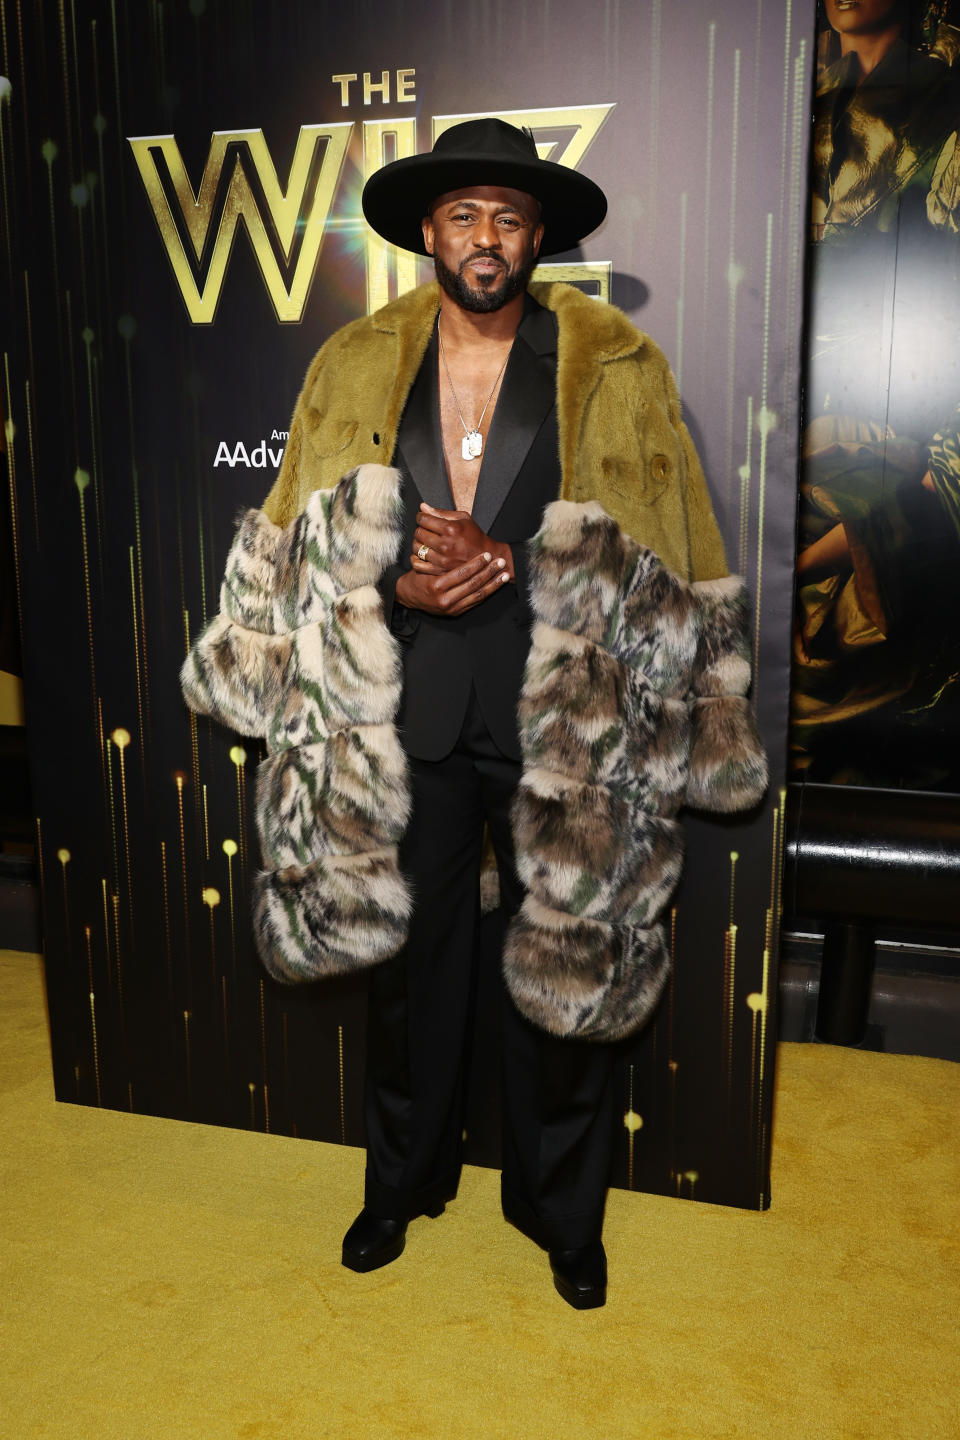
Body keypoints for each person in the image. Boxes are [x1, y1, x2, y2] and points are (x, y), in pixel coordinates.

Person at [182, 119, 765, 1309]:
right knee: (408, 973)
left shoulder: (616, 365)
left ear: (537, 235)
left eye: (507, 216)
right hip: (409, 711)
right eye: (463, 216)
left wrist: (525, 567)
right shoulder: (353, 361)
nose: (485, 237)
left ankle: (564, 1215)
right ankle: (400, 1184)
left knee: (570, 968)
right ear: (427, 233)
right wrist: (393, 579)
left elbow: (675, 540)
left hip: (570, 721)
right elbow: (298, 535)